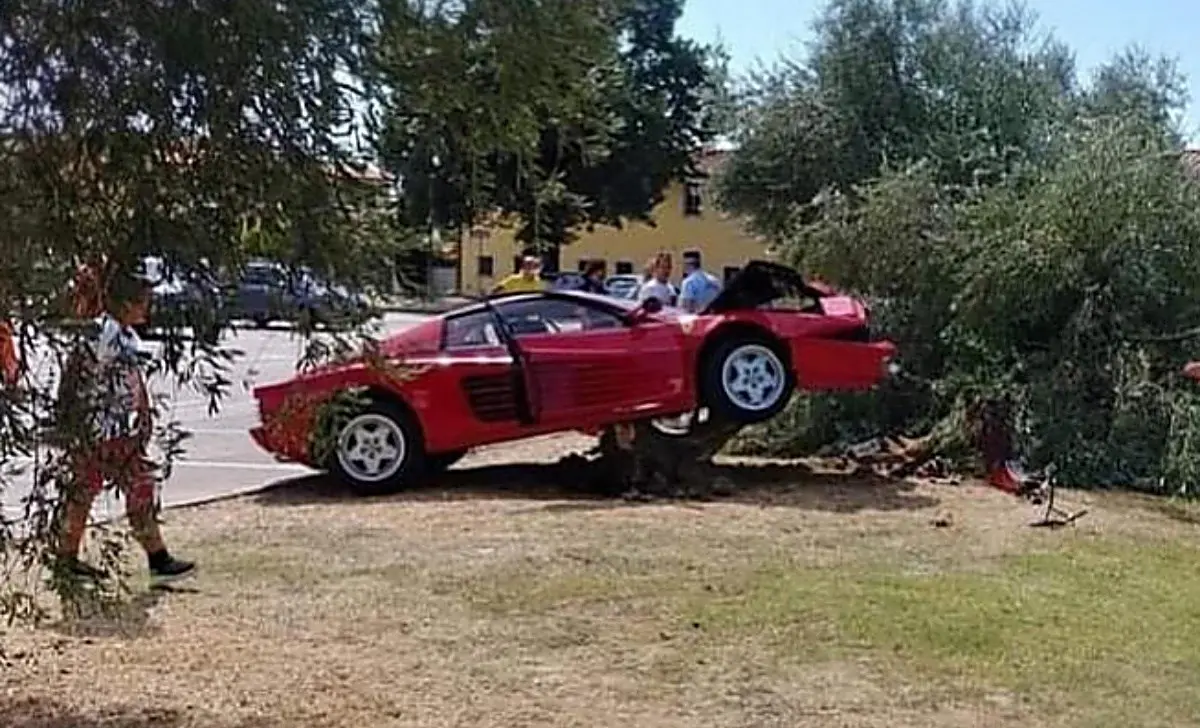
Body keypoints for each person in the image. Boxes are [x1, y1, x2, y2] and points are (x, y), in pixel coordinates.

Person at [55, 265, 196, 584]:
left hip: (116, 430)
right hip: (100, 431)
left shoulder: (122, 334)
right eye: (143, 301)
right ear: (126, 303)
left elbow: (130, 378)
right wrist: (71, 418)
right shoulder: (104, 333)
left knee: (101, 490)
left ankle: (73, 557)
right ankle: (154, 558)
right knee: (109, 489)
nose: (148, 308)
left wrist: (142, 411)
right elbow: (77, 371)